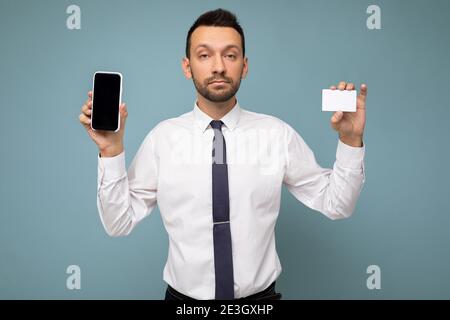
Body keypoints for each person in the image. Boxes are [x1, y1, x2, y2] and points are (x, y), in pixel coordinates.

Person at [78, 8, 367, 300]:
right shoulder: (162, 140)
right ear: (187, 66)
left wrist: (350, 139)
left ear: (244, 66)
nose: (218, 66)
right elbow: (118, 222)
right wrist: (111, 150)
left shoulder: (276, 135)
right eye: (204, 55)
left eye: (230, 55)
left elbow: (338, 204)